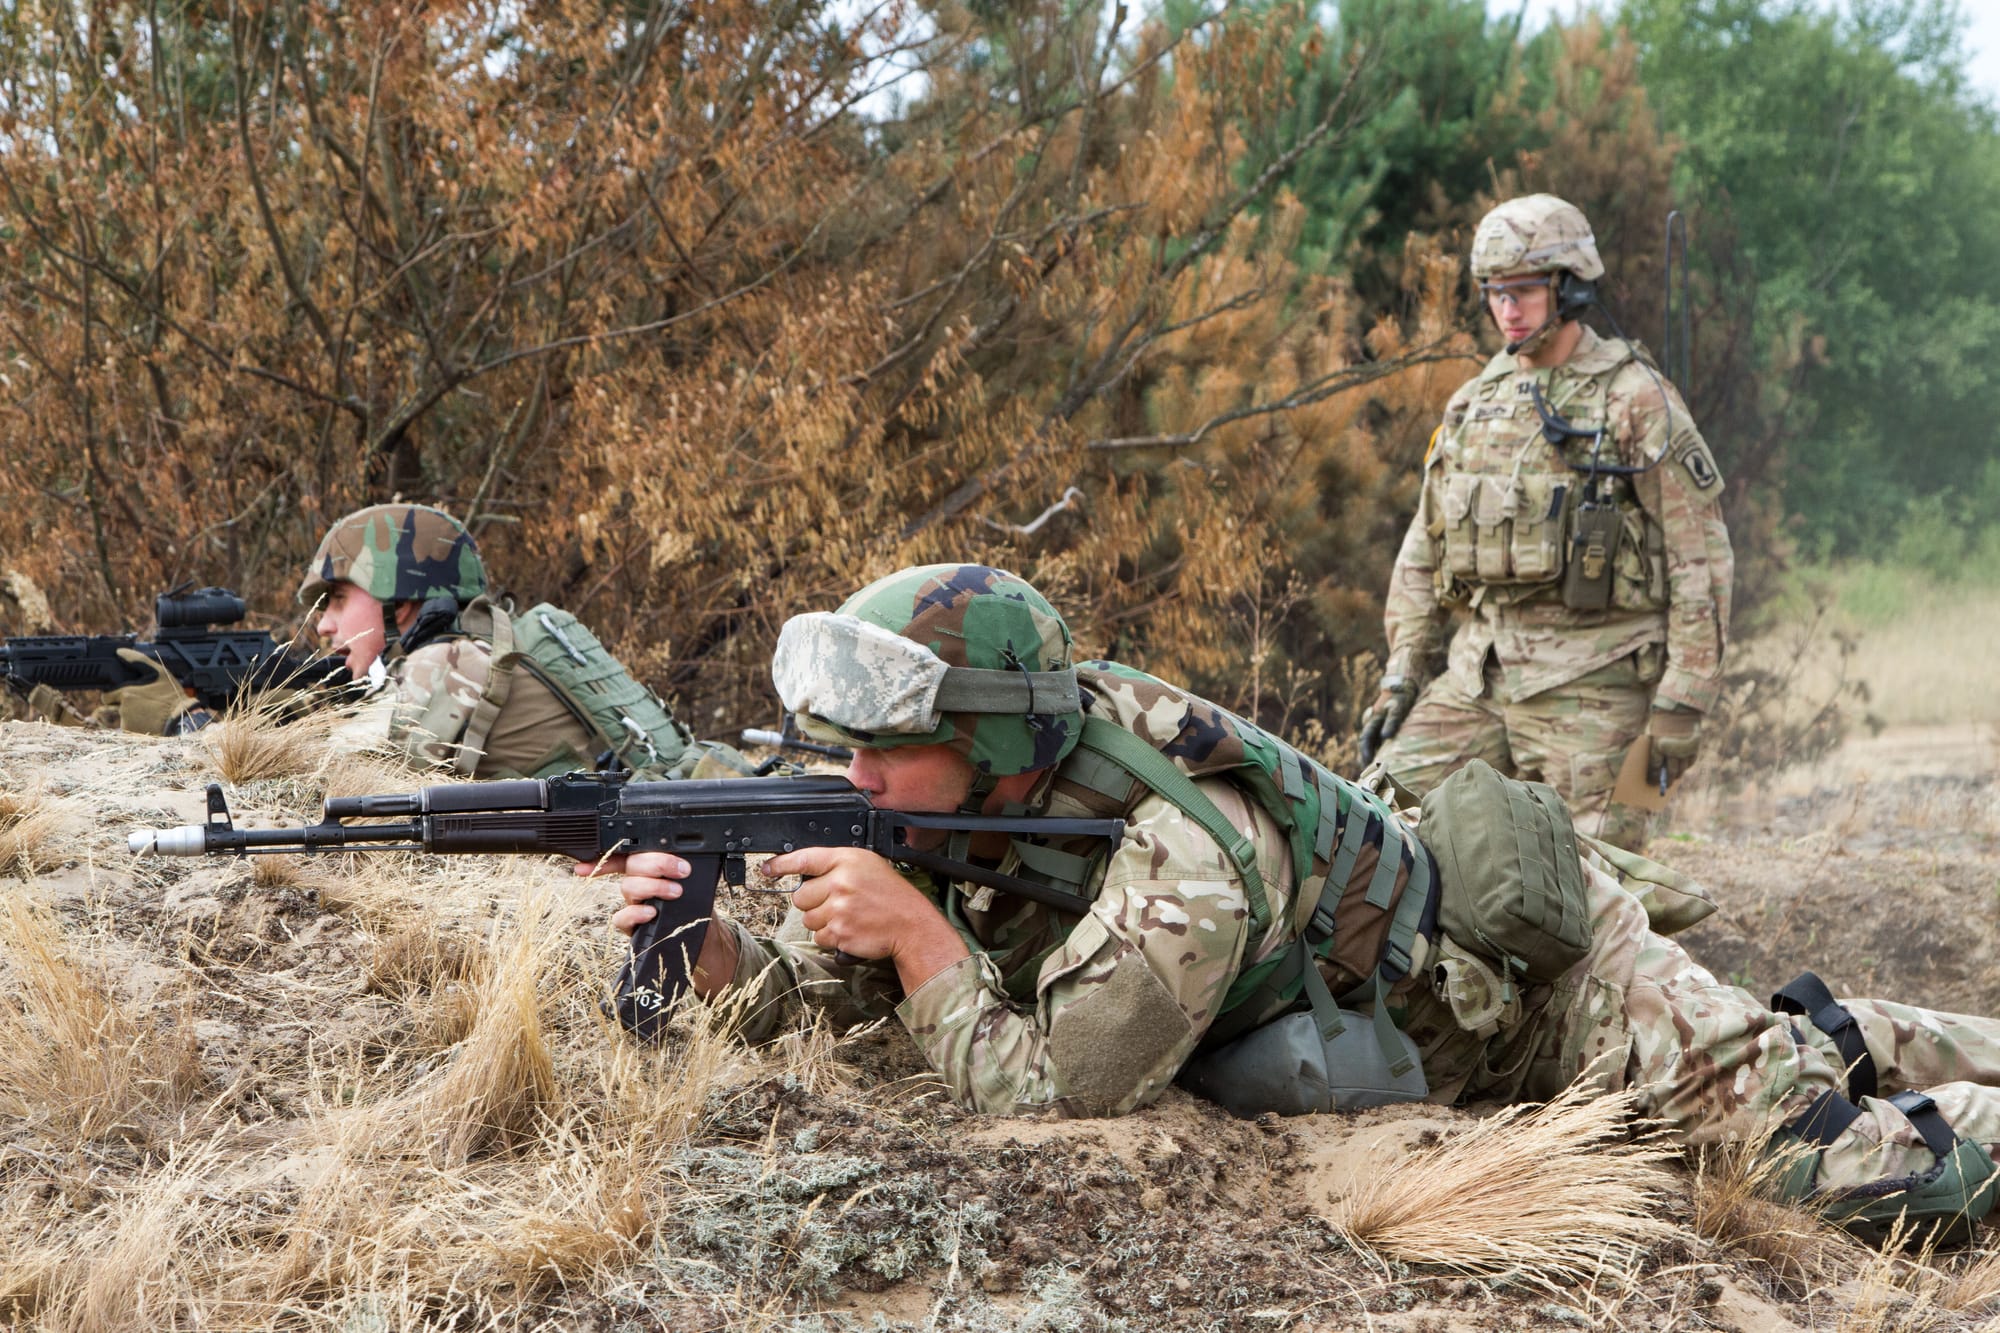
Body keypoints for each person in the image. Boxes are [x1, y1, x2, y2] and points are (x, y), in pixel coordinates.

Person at [597, 563, 2000, 1243]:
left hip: (1561, 1011)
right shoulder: (983, 804)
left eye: (883, 747)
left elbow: (1055, 1089)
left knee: (1842, 1172)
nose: (855, 778)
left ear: (999, 737)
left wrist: (911, 935)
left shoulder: (1187, 848)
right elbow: (836, 981)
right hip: (1478, 1020)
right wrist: (722, 952)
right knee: (1797, 1049)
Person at [1358, 194, 1734, 851]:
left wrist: (1682, 707)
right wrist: (1401, 676)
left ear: (1570, 289)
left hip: (1605, 685)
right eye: (1495, 292)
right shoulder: (1474, 402)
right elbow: (1424, 549)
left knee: (1608, 873)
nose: (1508, 309)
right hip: (1479, 678)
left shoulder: (1636, 396)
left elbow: (1701, 558)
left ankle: (1640, 924)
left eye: (1526, 291)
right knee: (1365, 830)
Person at [303, 502, 737, 781]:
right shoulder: (492, 644)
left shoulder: (442, 663)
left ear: (398, 603)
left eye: (338, 600)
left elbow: (327, 776)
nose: (324, 625)